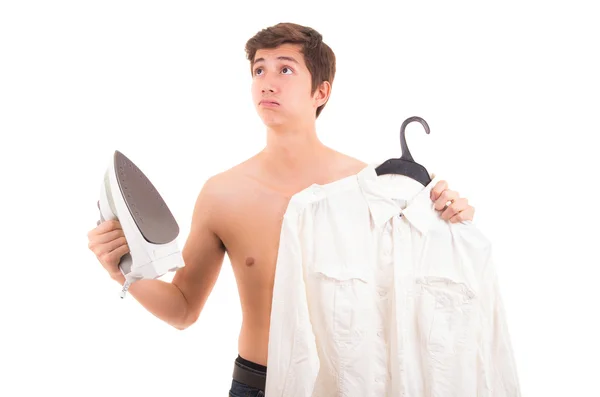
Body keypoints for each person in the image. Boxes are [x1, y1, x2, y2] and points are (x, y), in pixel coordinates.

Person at [87, 22, 476, 396]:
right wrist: (123, 269)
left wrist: (449, 220)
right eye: (259, 70)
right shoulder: (222, 194)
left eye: (285, 69)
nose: (266, 82)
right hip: (259, 384)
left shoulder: (372, 189)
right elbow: (184, 309)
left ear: (320, 92)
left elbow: (426, 295)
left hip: (354, 383)